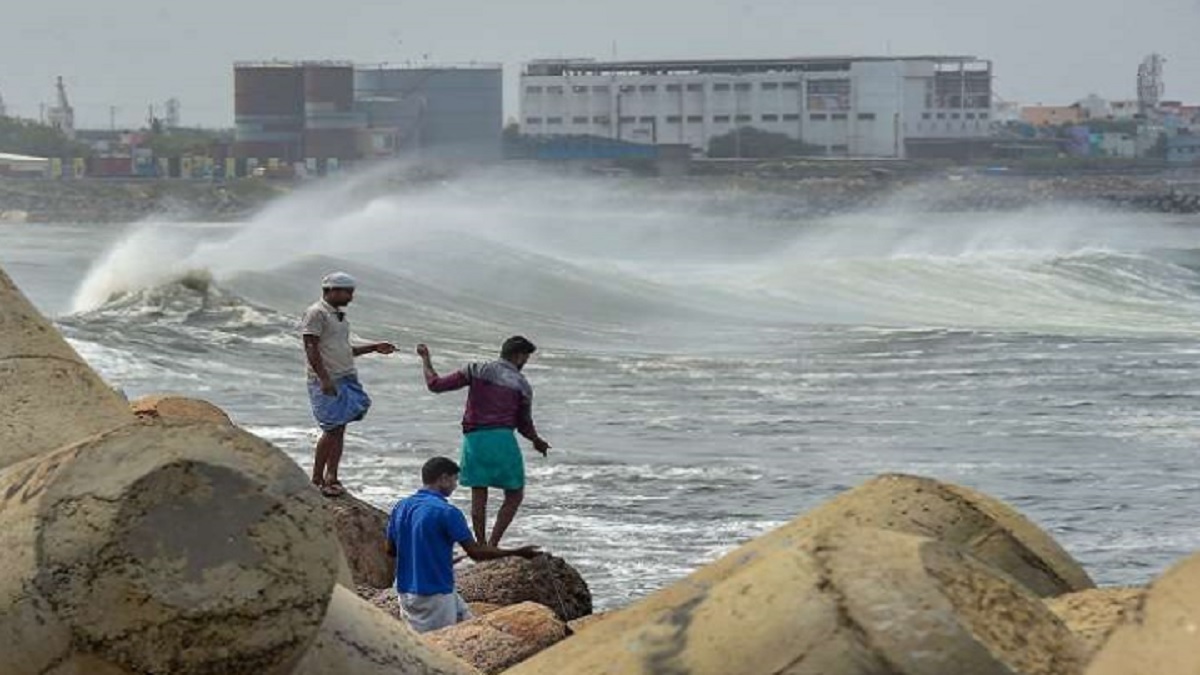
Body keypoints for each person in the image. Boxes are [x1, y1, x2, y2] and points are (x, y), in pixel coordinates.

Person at [417, 336, 550, 547]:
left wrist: (426, 359)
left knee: (479, 493)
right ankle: (493, 543)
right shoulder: (522, 385)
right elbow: (524, 423)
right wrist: (537, 440)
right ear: (518, 356)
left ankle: (480, 544)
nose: (525, 362)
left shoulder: (477, 369)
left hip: (474, 440)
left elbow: (436, 385)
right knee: (514, 494)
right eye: (525, 357)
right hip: (503, 440)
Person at [386, 456, 540, 633]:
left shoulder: (401, 507)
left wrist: (434, 558)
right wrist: (519, 552)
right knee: (439, 644)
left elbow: (390, 550)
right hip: (434, 593)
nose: (455, 485)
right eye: (454, 480)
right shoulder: (447, 512)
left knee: (469, 622)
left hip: (405, 590)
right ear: (443, 478)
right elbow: (476, 553)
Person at [300, 271, 395, 497]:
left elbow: (343, 350)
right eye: (347, 292)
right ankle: (316, 479)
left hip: (346, 376)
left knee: (340, 428)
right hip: (327, 378)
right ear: (331, 290)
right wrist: (324, 379)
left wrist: (373, 347)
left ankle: (331, 475)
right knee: (332, 428)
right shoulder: (316, 313)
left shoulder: (338, 316)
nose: (351, 297)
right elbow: (311, 348)